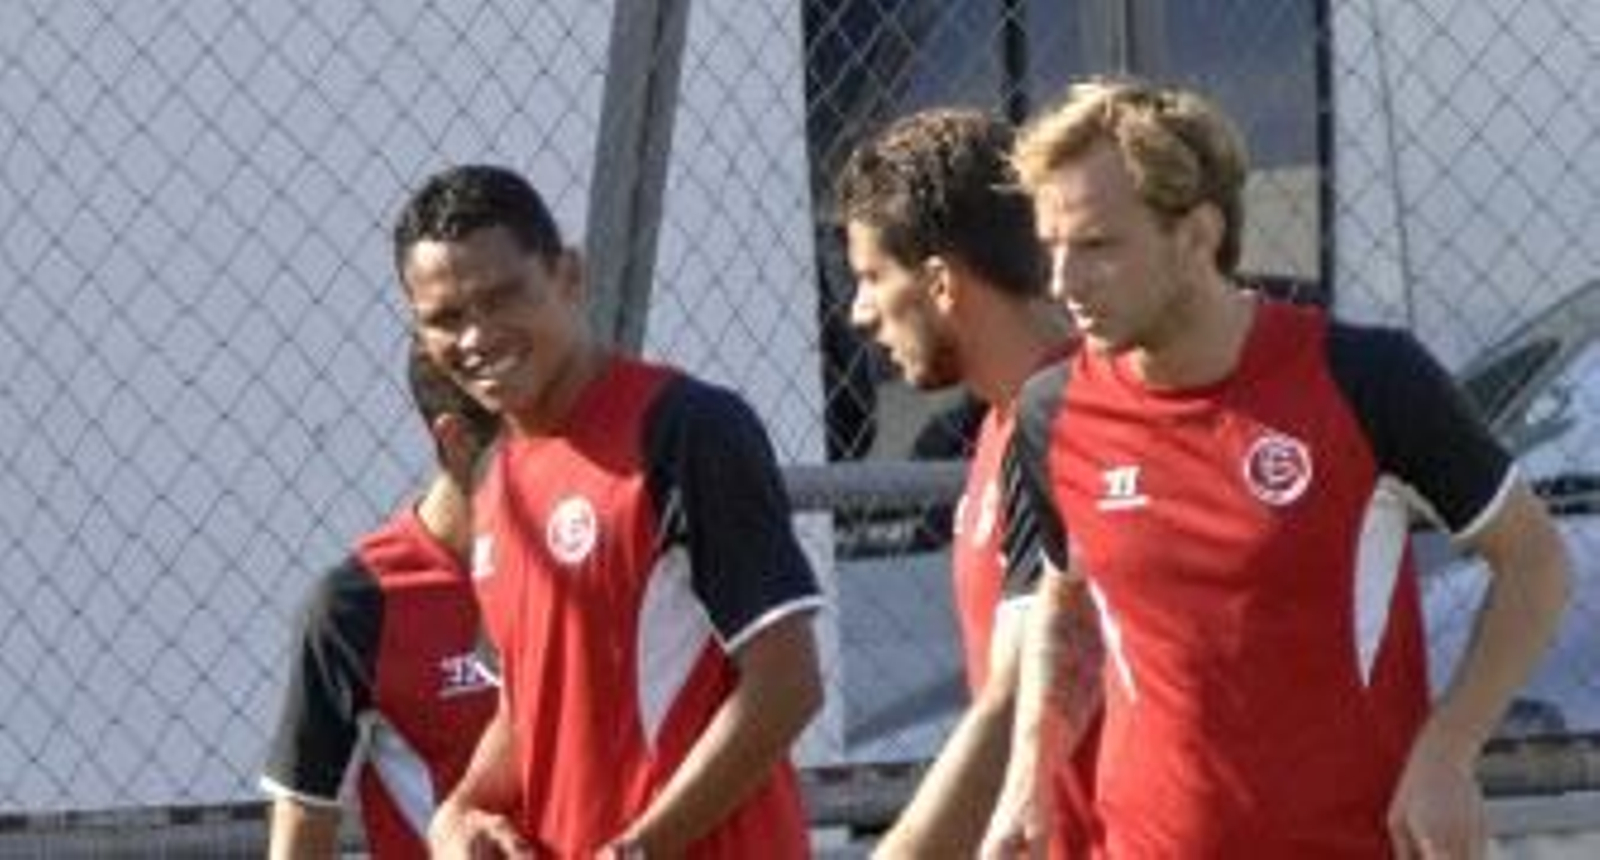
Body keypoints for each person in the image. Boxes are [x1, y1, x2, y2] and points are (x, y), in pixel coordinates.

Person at [983, 77, 1571, 859]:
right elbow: (1069, 601)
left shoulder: (1366, 378)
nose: (1063, 283)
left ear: (1197, 234)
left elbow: (1535, 563)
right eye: (1051, 247)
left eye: (1096, 246)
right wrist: (1030, 774)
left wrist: (1448, 751)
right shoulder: (1052, 412)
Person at [396, 164, 826, 859]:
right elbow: (529, 704)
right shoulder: (499, 477)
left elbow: (787, 684)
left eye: (502, 297)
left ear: (567, 275)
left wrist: (640, 850)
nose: (476, 337)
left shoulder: (685, 427)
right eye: (445, 319)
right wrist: (462, 809)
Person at [835, 107, 1097, 858]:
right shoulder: (1002, 424)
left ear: (942, 283)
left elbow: (1016, 696)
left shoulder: (1070, 417)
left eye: (871, 277)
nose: (858, 313)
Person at [260, 346, 502, 859]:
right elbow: (301, 830)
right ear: (456, 442)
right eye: (536, 444)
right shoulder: (355, 607)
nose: (568, 468)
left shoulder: (588, 564)